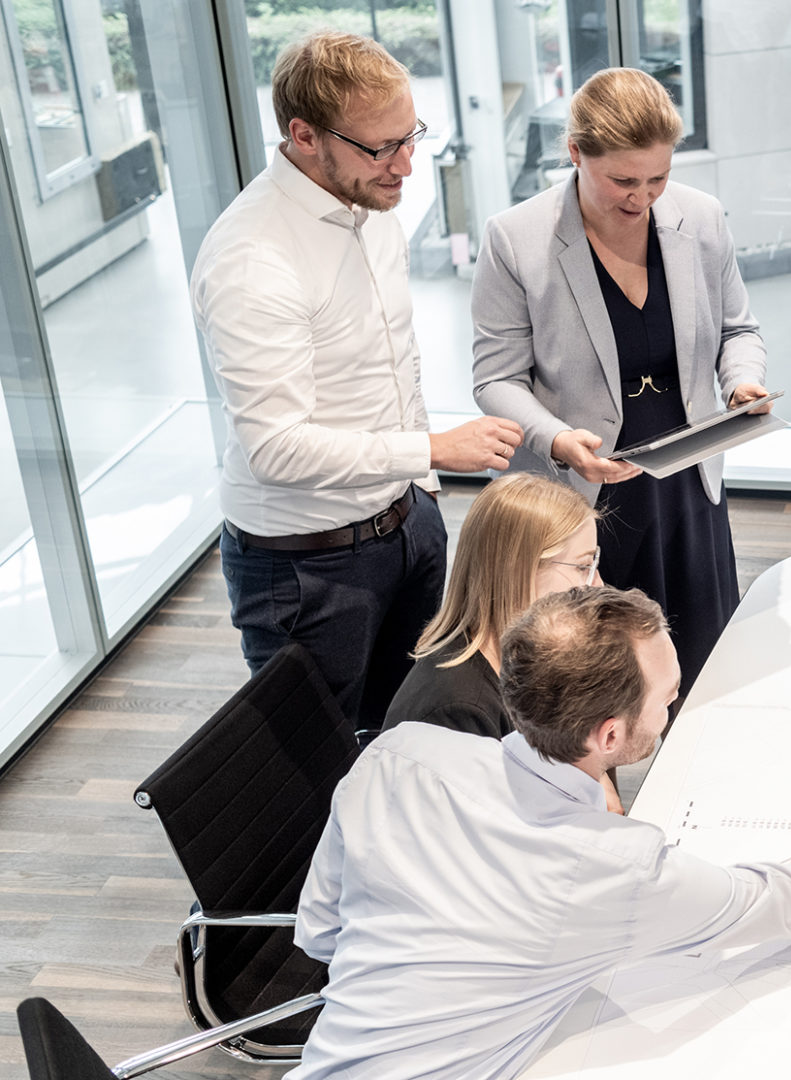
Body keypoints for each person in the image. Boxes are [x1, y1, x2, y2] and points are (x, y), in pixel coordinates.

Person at [291, 585, 791, 1078]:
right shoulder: (613, 866)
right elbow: (777, 901)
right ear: (609, 734)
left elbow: (321, 934)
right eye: (668, 698)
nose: (674, 704)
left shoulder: (397, 755)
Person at [191, 32, 523, 730]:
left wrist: (420, 497)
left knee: (416, 732)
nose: (406, 165)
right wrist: (431, 451)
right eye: (381, 147)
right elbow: (276, 449)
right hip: (306, 573)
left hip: (406, 527)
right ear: (305, 136)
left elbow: (394, 358)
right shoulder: (252, 260)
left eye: (411, 137)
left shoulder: (371, 208)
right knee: (321, 773)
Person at [472, 67, 769, 696]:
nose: (643, 197)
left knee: (700, 667)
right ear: (576, 154)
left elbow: (738, 331)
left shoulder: (702, 217)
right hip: (584, 487)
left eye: (658, 177)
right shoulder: (515, 238)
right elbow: (495, 379)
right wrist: (555, 438)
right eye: (622, 180)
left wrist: (742, 383)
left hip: (686, 479)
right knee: (587, 686)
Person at [379, 472, 631, 809]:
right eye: (583, 565)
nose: (597, 585)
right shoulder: (459, 712)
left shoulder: (535, 656)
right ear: (521, 569)